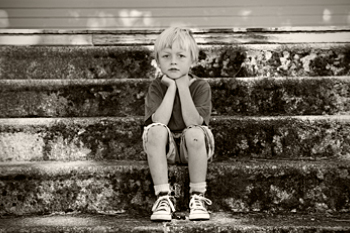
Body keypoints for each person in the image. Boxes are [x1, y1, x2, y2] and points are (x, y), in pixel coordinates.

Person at [142, 26, 215, 221]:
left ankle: (198, 197)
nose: (173, 61)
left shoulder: (200, 87)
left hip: (193, 145)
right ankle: (163, 198)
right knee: (155, 130)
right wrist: (172, 87)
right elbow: (160, 121)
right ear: (157, 61)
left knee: (195, 132)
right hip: (165, 147)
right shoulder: (156, 87)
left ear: (193, 59)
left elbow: (194, 122)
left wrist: (183, 86)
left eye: (181, 56)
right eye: (166, 56)